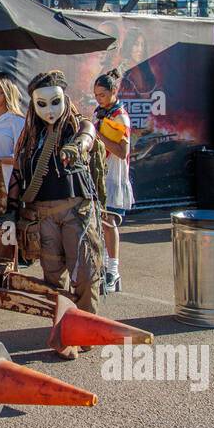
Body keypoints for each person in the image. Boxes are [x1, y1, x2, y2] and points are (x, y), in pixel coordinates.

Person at [12, 70, 103, 314]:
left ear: (65, 99)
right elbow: (18, 171)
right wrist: (11, 210)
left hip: (76, 211)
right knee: (52, 279)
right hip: (43, 214)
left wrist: (77, 147)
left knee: (85, 273)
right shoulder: (30, 135)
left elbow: (88, 134)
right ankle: (64, 325)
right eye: (42, 104)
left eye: (55, 102)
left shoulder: (75, 125)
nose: (50, 110)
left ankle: (86, 325)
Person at [93, 69, 133, 293]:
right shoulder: (101, 112)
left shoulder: (119, 116)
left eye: (102, 94)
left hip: (113, 175)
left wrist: (98, 135)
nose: (99, 99)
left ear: (114, 91)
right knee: (100, 222)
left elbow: (122, 151)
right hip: (99, 172)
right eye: (96, 95)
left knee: (109, 222)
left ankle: (113, 270)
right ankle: (104, 267)